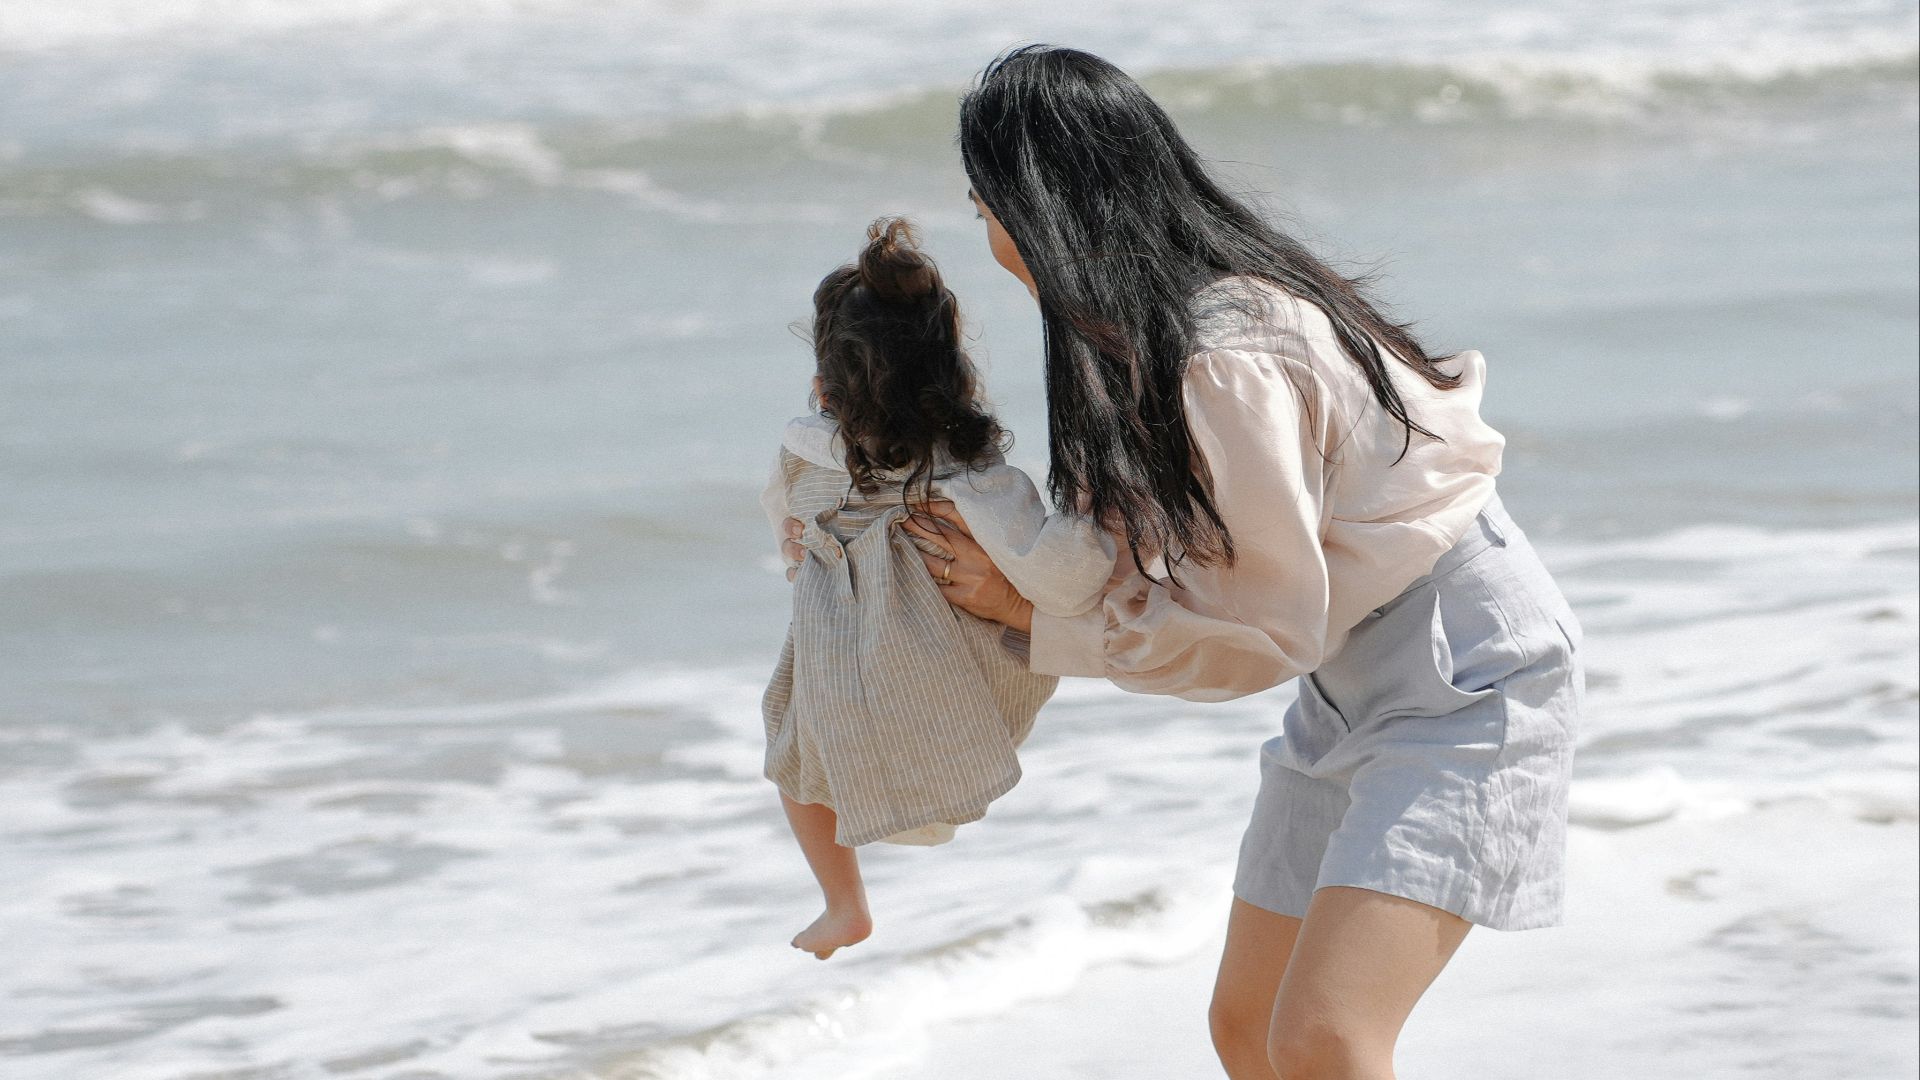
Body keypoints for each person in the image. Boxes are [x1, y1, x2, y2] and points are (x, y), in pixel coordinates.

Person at [776, 46, 1586, 1078]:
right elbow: (1170, 575)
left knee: (1327, 1040)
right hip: (1354, 685)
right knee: (1248, 1030)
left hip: (1466, 674)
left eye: (986, 207)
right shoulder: (1144, 342)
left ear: (1043, 209)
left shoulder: (1226, 354)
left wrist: (1036, 627)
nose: (986, 239)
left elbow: (1260, 634)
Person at [760, 215, 1117, 961]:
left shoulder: (799, 455)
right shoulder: (976, 488)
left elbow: (786, 529)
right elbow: (1069, 578)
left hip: (841, 679)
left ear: (823, 386)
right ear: (958, 382)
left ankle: (843, 903)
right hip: (947, 691)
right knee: (1023, 628)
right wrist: (1088, 501)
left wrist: (809, 562)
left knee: (790, 750)